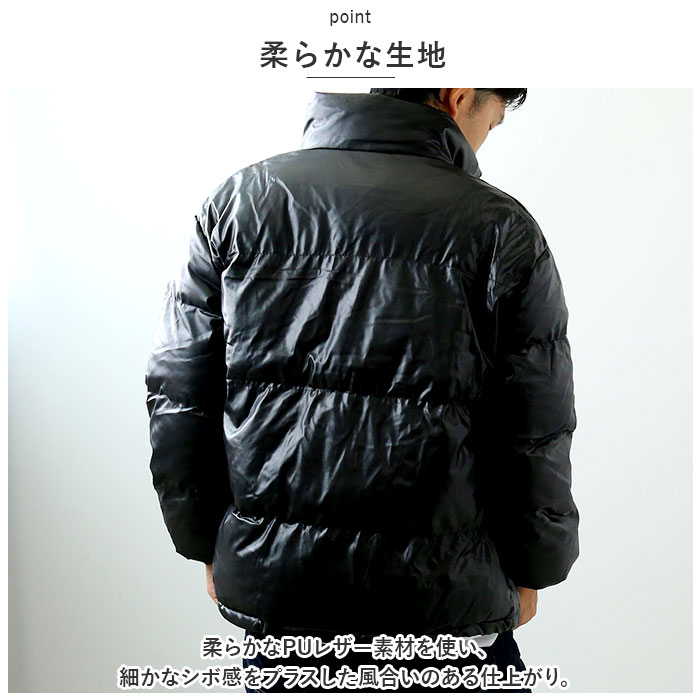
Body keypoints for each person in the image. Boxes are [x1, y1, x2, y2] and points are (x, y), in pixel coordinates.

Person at [145, 88, 580, 693]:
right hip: (444, 608)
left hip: (282, 597)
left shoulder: (236, 205)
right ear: (457, 96)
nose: (483, 142)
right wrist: (538, 563)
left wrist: (205, 542)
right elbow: (534, 426)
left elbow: (179, 395)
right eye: (492, 121)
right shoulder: (500, 228)